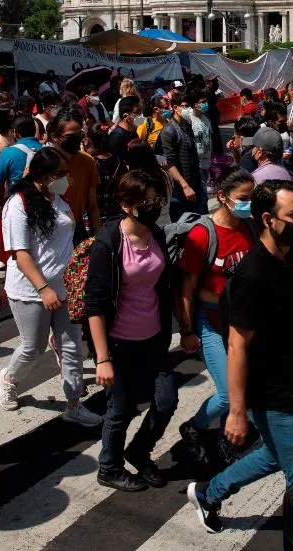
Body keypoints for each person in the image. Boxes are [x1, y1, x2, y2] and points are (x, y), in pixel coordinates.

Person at [187, 180, 293, 534]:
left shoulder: (290, 255)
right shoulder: (252, 275)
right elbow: (237, 346)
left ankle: (208, 493)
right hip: (271, 392)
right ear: (267, 219)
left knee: (278, 454)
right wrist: (235, 413)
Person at [0, 148, 102, 427]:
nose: (66, 179)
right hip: (30, 291)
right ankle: (9, 378)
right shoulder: (17, 204)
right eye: (60, 174)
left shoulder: (58, 200)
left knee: (71, 346)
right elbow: (20, 253)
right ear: (42, 175)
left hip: (67, 287)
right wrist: (44, 289)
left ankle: (73, 404)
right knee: (33, 346)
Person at [85, 168, 174, 492]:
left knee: (165, 402)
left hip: (153, 338)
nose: (153, 206)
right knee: (119, 409)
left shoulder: (157, 234)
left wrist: (186, 328)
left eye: (156, 199)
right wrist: (102, 358)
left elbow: (165, 287)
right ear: (126, 204)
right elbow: (94, 305)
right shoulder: (108, 242)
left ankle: (139, 450)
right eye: (146, 201)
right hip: (118, 344)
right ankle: (109, 467)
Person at [177, 170, 257, 466]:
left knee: (244, 385)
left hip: (241, 324)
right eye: (243, 199)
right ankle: (193, 428)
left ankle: (230, 437)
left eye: (252, 197)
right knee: (227, 394)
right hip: (211, 323)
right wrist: (186, 330)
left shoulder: (248, 227)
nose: (249, 204)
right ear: (223, 197)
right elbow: (187, 287)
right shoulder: (203, 233)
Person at [48, 108, 102, 241]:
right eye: (70, 136)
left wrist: (98, 238)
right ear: (55, 136)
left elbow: (92, 205)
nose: (76, 139)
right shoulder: (41, 162)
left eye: (80, 134)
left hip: (76, 230)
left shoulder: (87, 161)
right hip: (49, 232)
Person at [161, 93, 201, 221]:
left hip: (194, 183)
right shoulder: (169, 131)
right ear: (175, 108)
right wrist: (185, 186)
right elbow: (169, 163)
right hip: (180, 190)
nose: (187, 109)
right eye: (184, 106)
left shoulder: (188, 126)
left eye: (189, 106)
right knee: (183, 226)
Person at [0, 115, 43, 206]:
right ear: (34, 130)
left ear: (15, 133)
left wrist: (1, 204)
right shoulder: (48, 150)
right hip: (43, 204)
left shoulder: (8, 153)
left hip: (16, 204)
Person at [86, 123, 125, 224]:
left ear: (90, 142)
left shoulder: (91, 163)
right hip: (118, 214)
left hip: (98, 215)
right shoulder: (118, 160)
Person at [184, 91, 213, 201]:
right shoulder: (189, 119)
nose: (205, 104)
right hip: (197, 164)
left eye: (206, 102)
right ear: (194, 105)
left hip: (207, 162)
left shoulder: (206, 119)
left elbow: (209, 138)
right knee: (202, 194)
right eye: (202, 102)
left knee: (204, 191)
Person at [108, 96, 143, 169]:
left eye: (141, 111)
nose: (141, 115)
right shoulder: (117, 136)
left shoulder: (133, 130)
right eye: (137, 112)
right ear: (125, 116)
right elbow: (119, 164)